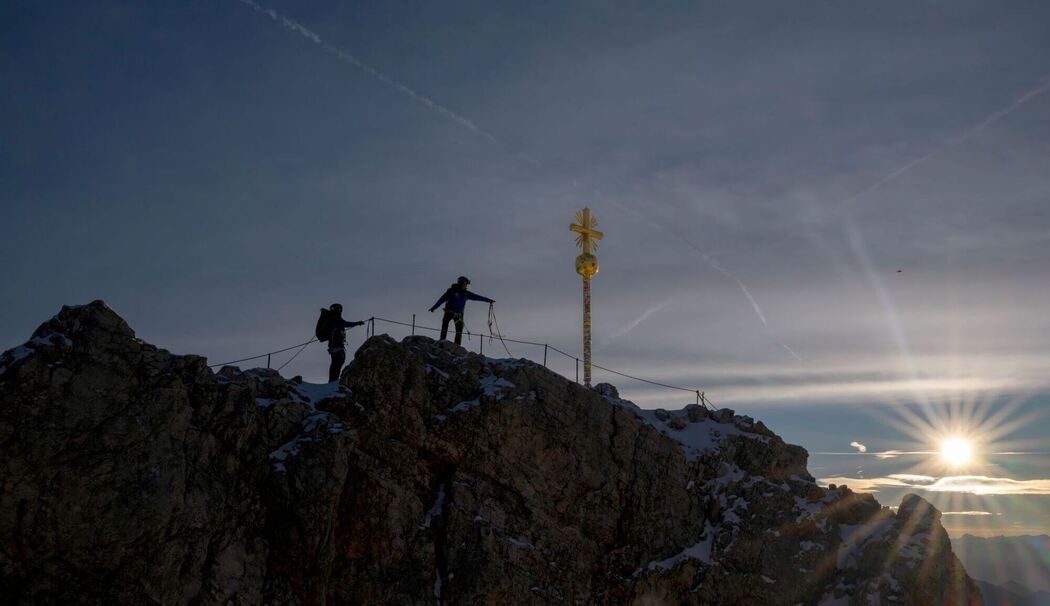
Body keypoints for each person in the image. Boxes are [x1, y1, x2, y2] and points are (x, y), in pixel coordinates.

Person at [429, 276, 494, 345]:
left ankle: (456, 346)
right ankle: (442, 341)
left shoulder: (466, 293)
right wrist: (434, 308)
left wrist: (489, 300)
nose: (466, 286)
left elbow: (477, 297)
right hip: (449, 312)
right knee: (445, 325)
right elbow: (441, 300)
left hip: (459, 315)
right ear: (462, 283)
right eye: (466, 284)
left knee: (459, 331)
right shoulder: (451, 291)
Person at [325, 303, 365, 382]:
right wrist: (357, 323)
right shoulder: (336, 318)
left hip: (333, 346)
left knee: (335, 363)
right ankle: (333, 380)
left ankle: (332, 380)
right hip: (337, 345)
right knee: (338, 361)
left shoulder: (330, 319)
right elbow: (346, 324)